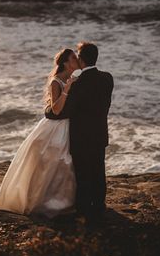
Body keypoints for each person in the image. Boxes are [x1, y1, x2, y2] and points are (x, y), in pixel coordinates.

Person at [0, 48, 80, 217]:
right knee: (56, 163)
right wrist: (67, 89)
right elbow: (56, 109)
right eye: (74, 58)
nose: (77, 60)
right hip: (54, 128)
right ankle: (45, 203)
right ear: (66, 63)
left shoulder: (71, 79)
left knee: (65, 165)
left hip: (67, 127)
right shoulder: (57, 82)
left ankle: (62, 201)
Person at [46, 42, 113, 222]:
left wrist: (47, 111)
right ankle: (99, 206)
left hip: (81, 136)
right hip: (99, 133)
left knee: (83, 174)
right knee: (99, 172)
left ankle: (84, 210)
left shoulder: (77, 84)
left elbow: (63, 112)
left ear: (81, 60)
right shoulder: (108, 78)